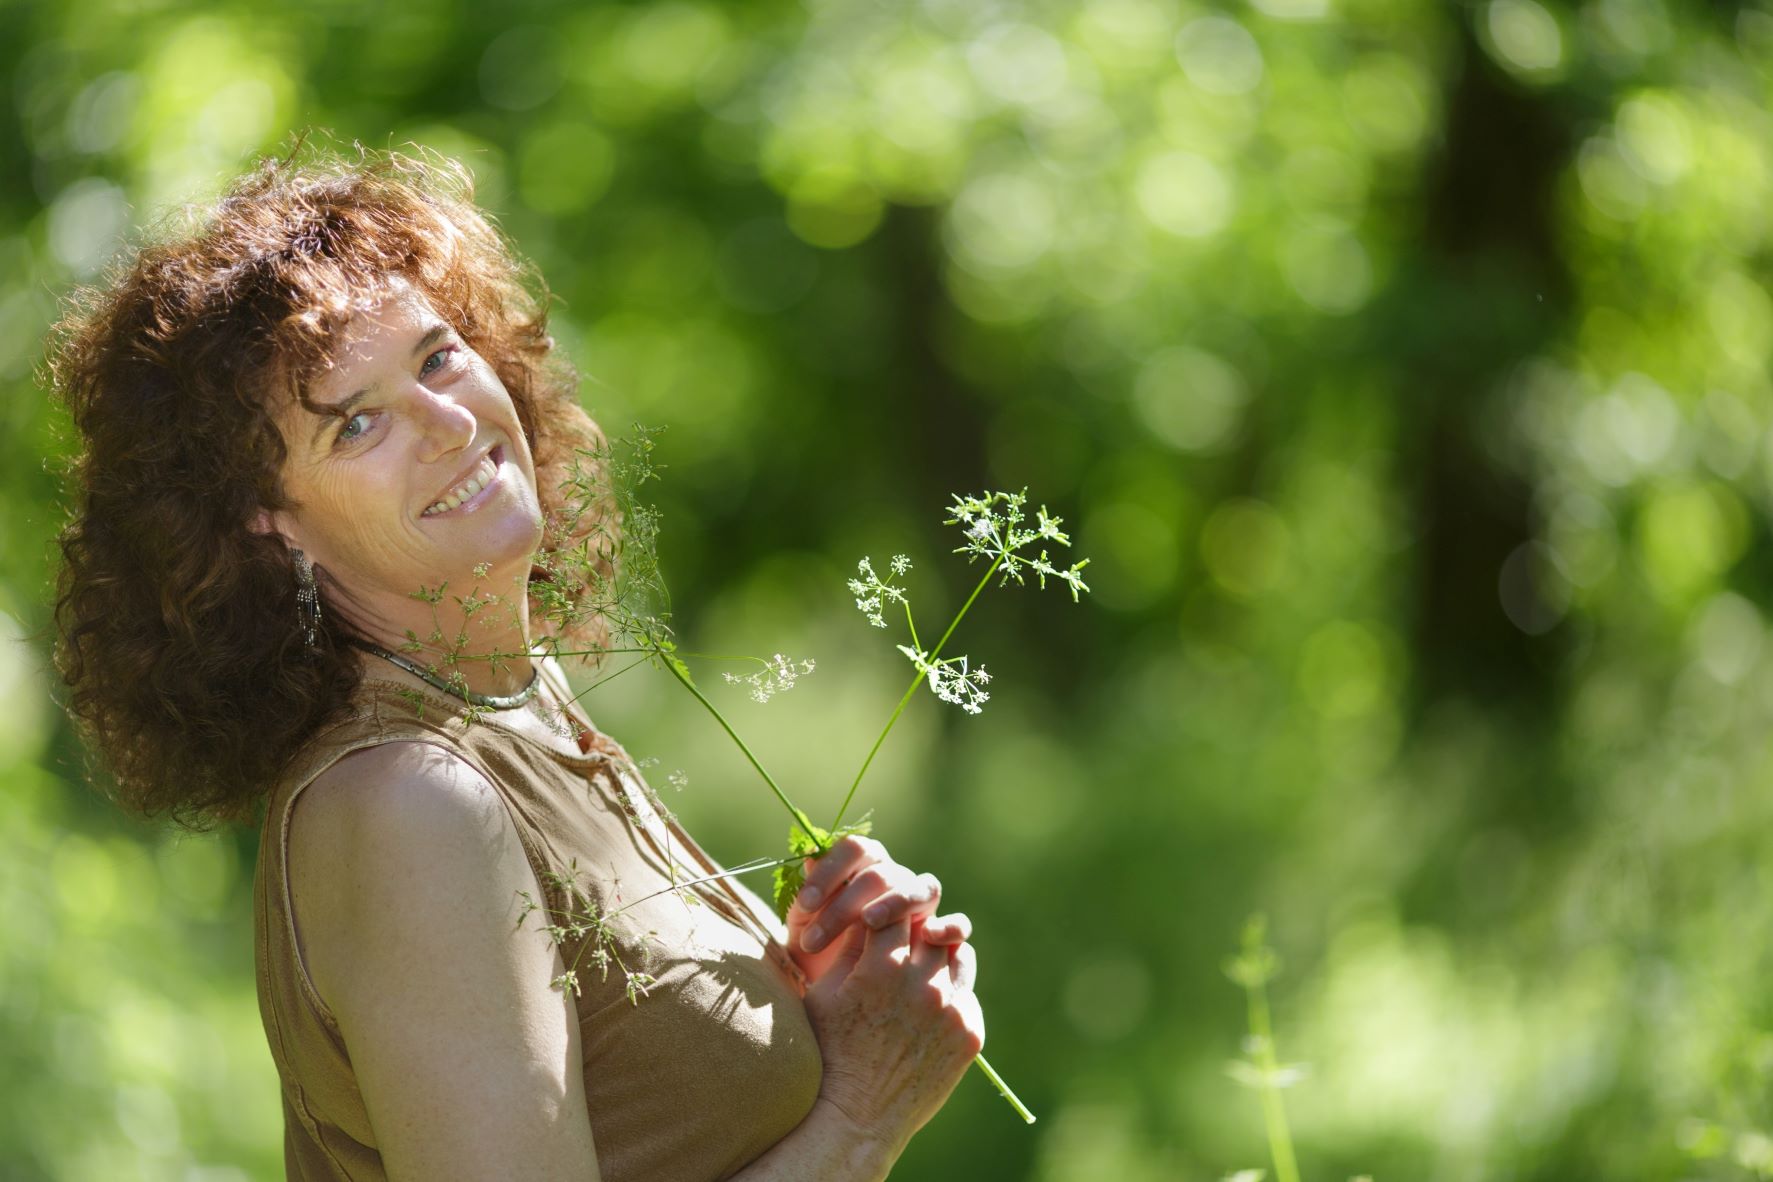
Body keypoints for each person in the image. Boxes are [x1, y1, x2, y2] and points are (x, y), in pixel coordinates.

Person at [46, 142, 985, 1180]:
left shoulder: (518, 710)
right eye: (358, 424)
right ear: (270, 529)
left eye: (439, 357)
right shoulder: (410, 805)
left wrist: (824, 996)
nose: (449, 424)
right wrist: (862, 1115)